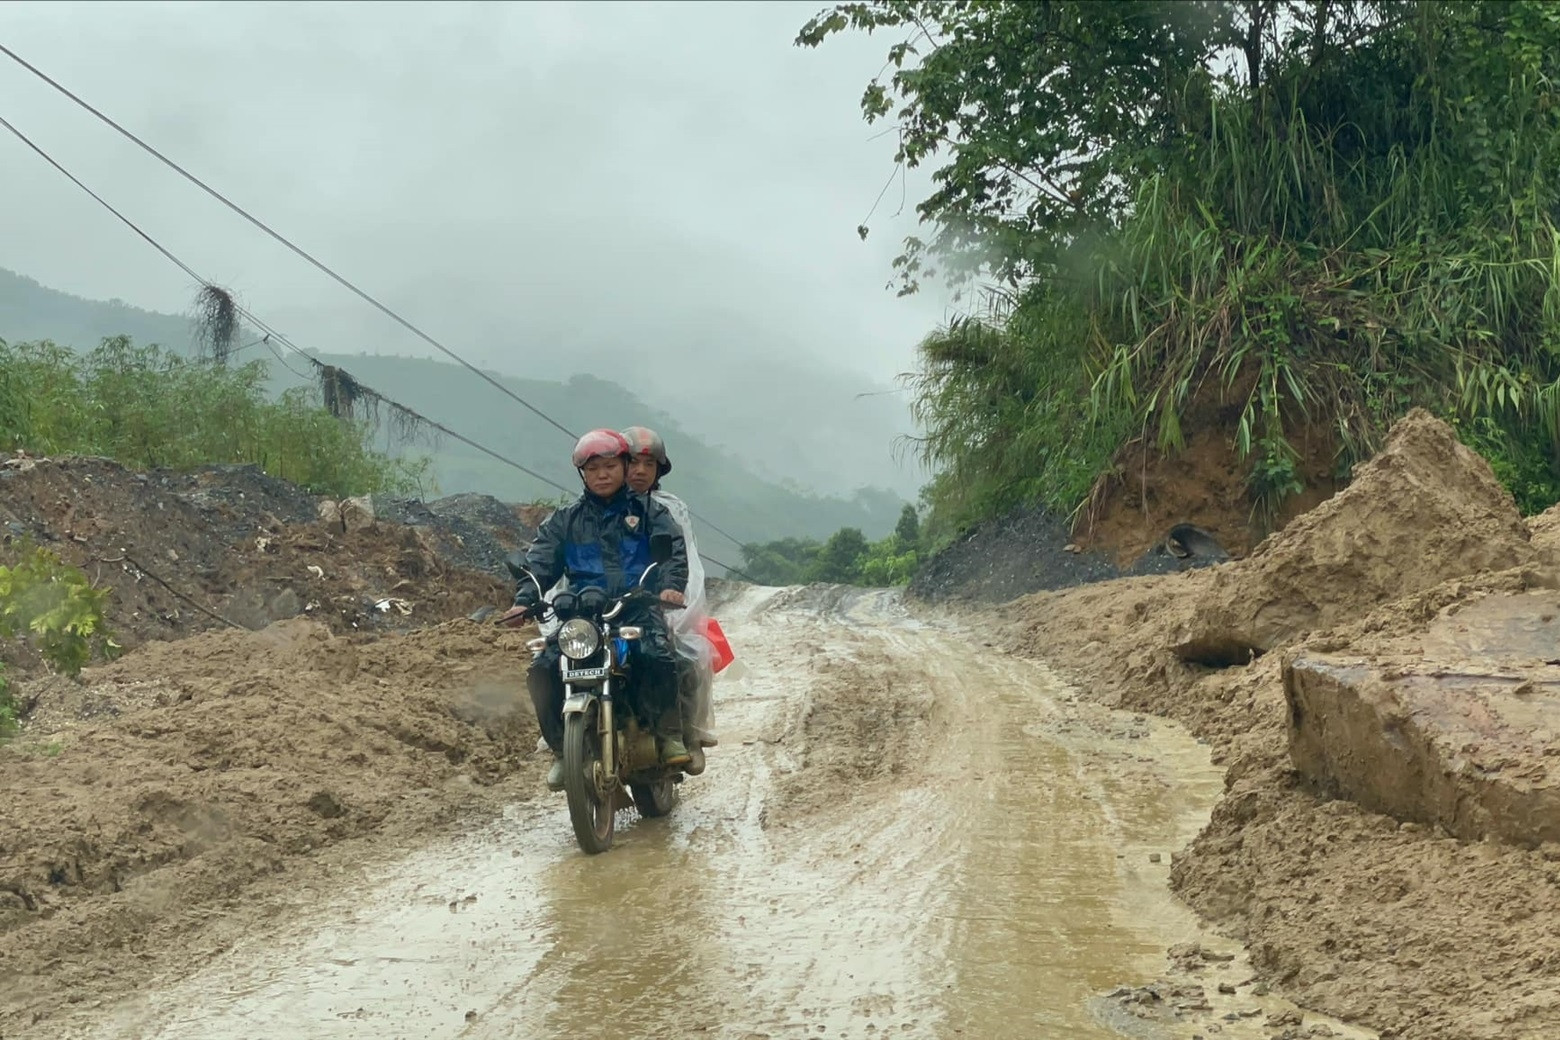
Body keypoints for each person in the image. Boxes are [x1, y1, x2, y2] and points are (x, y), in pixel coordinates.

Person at [498, 428, 691, 791]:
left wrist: (669, 586)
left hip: (634, 607)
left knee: (657, 654)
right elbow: (539, 562)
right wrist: (525, 600)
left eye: (608, 466)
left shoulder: (650, 512)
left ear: (622, 466)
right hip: (581, 614)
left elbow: (672, 554)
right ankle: (561, 750)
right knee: (542, 668)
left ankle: (668, 736)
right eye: (593, 469)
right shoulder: (564, 520)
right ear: (582, 474)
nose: (602, 475)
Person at [620, 425, 718, 775]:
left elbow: (686, 562)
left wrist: (676, 606)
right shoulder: (593, 509)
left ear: (660, 469)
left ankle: (689, 737)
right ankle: (562, 743)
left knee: (693, 654)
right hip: (606, 608)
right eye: (633, 462)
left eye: (650, 464)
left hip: (657, 607)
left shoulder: (670, 511)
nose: (640, 471)